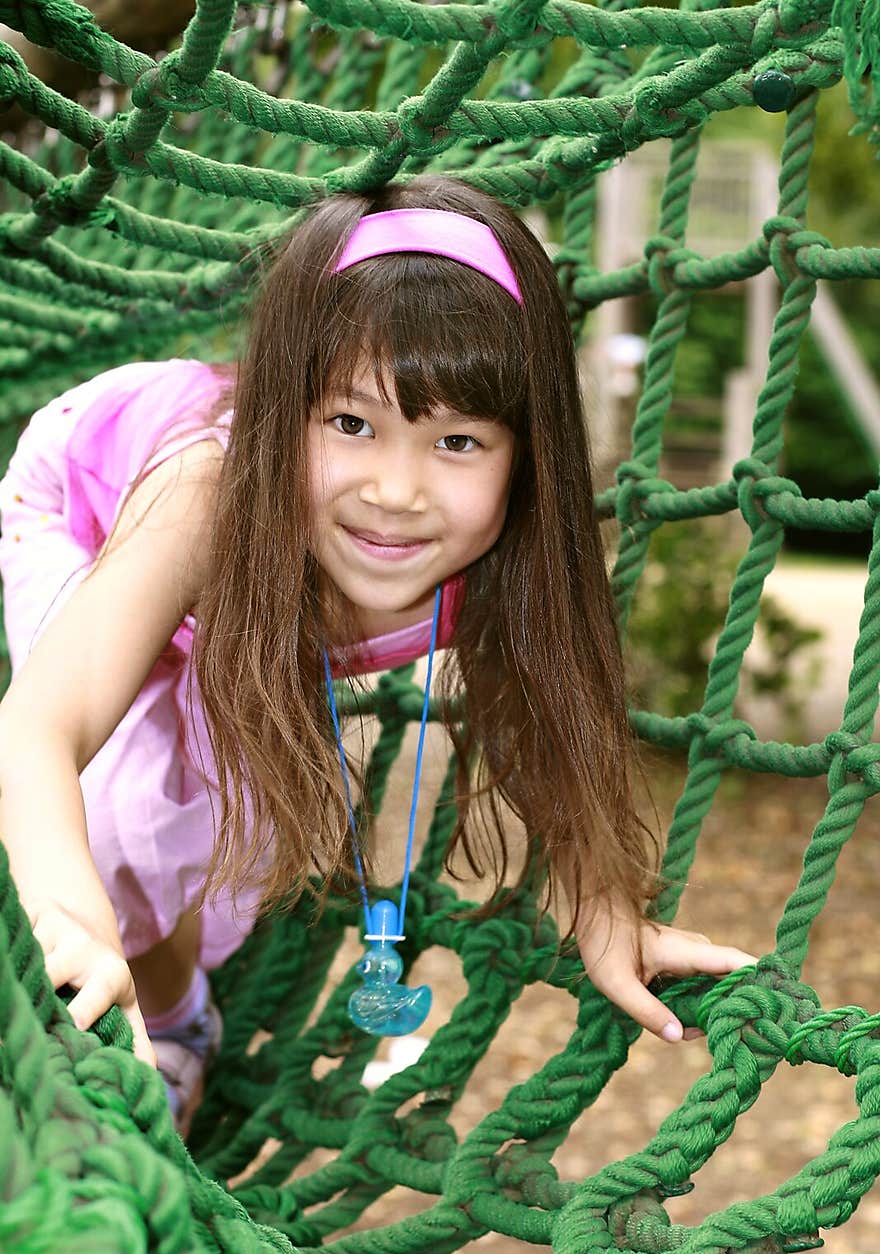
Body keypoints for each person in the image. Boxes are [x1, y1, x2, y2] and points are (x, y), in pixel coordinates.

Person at [0, 174, 756, 1133]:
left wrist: (608, 913)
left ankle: (181, 1010)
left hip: (272, 604)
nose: (396, 491)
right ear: (288, 418)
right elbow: (39, 724)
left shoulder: (503, 555)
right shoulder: (207, 491)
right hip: (83, 508)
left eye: (459, 441)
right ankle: (161, 1018)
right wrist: (69, 922)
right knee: (128, 804)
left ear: (525, 456)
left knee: (237, 803)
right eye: (351, 423)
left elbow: (543, 724)